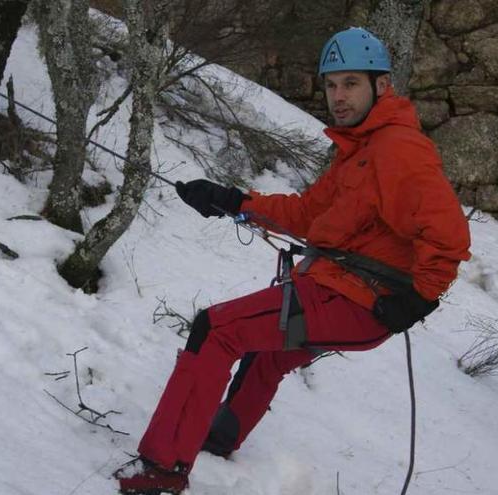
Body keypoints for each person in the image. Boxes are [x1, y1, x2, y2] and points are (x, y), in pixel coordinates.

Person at [115, 27, 471, 495]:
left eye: (351, 84)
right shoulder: (360, 151)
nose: (338, 96)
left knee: (216, 329)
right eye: (331, 85)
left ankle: (162, 470)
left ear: (381, 87)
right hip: (341, 288)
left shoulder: (397, 150)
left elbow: (447, 235)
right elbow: (308, 214)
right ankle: (218, 438)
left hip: (360, 298)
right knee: (269, 354)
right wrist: (234, 200)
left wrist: (417, 300)